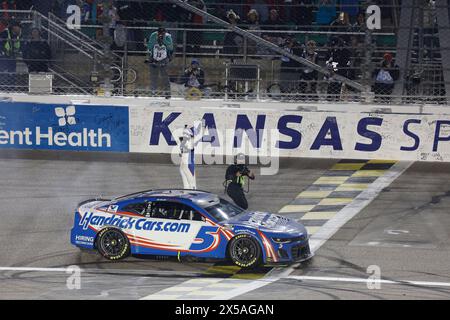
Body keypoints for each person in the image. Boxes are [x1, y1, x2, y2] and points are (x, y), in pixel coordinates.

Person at [147, 27, 174, 98]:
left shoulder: (168, 36)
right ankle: (153, 92)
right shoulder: (153, 35)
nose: (161, 34)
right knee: (153, 76)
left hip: (164, 58)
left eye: (163, 33)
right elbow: (149, 46)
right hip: (154, 57)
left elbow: (171, 48)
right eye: (159, 33)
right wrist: (156, 40)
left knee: (165, 77)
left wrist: (164, 40)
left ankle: (167, 93)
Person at [0, 20, 22, 90]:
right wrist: (3, 52)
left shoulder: (16, 35)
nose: (20, 29)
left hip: (12, 57)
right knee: (3, 73)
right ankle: (3, 88)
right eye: (18, 27)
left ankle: (11, 88)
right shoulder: (5, 33)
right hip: (3, 58)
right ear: (14, 27)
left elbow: (17, 47)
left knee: (12, 73)